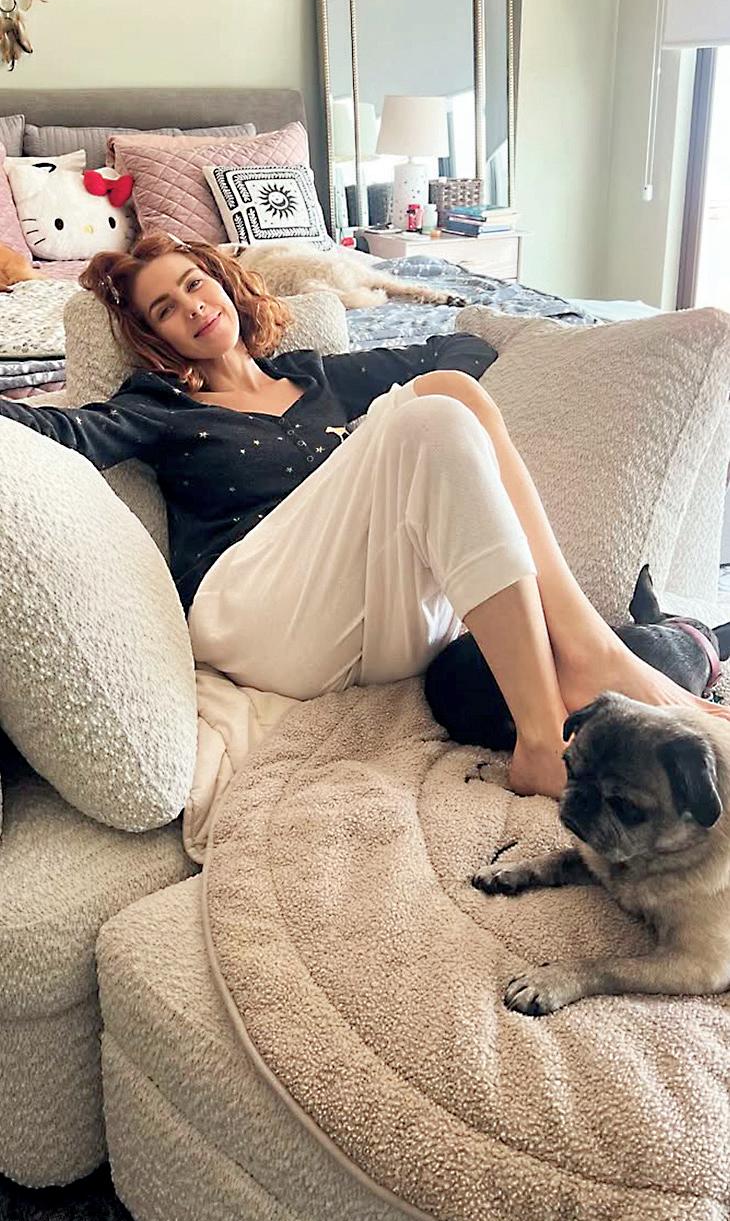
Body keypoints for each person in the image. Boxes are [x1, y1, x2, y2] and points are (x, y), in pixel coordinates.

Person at [0, 232, 723, 799]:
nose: (191, 307)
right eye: (165, 309)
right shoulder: (158, 406)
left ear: (223, 281)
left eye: (195, 283)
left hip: (362, 622)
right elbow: (61, 431)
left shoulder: (314, 375)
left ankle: (606, 663)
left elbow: (464, 347)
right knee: (438, 403)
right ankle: (569, 698)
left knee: (443, 404)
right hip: (253, 611)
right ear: (157, 339)